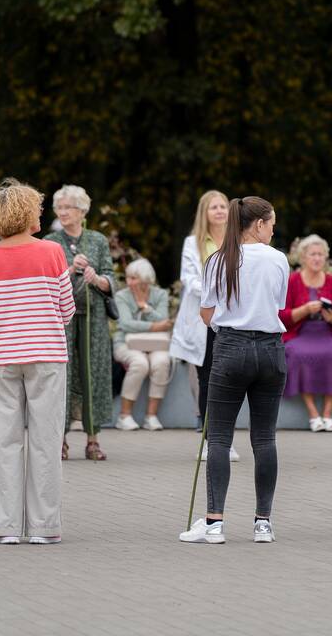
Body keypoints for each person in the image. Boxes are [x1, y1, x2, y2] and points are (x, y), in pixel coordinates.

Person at [179, 197, 289, 545]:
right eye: (271, 223)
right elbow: (278, 305)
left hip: (230, 348)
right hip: (271, 350)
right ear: (258, 224)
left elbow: (206, 311)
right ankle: (263, 523)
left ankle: (214, 523)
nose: (273, 229)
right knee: (265, 437)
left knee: (220, 437)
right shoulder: (279, 260)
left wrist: (227, 331)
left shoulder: (218, 259)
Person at [0, 180, 75, 544]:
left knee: (5, 439)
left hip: (2, 356)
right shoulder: (52, 252)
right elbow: (66, 309)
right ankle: (43, 527)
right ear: (29, 212)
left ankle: (4, 526)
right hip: (47, 354)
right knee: (46, 440)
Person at [46, 185, 115, 461]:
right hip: (63, 318)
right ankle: (59, 439)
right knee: (63, 375)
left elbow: (112, 279)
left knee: (93, 374)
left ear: (82, 211)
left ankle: (93, 439)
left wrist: (97, 278)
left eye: (68, 208)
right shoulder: (50, 241)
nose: (62, 213)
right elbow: (48, 279)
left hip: (94, 317)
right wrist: (69, 269)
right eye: (59, 208)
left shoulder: (97, 240)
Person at [170, 190, 239, 461]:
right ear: (205, 213)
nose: (220, 211)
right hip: (206, 318)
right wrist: (219, 292)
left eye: (224, 206)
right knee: (207, 379)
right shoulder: (193, 243)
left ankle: (227, 439)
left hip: (231, 318)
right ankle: (211, 441)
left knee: (230, 380)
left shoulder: (237, 241)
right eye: (214, 207)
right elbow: (190, 278)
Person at [279, 234, 332, 431]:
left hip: (327, 333)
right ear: (303, 257)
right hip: (299, 334)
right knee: (297, 354)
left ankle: (327, 415)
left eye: (321, 254)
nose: (317, 258)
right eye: (313, 254)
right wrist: (304, 310)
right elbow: (282, 317)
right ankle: (313, 414)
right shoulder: (293, 281)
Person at [113, 258, 173, 431]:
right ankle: (124, 416)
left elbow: (165, 319)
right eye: (128, 278)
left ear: (146, 279)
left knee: (162, 362)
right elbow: (125, 324)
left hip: (155, 344)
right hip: (126, 343)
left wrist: (145, 307)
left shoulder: (159, 294)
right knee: (139, 363)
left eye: (133, 278)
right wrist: (155, 326)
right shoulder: (121, 296)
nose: (129, 282)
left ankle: (151, 416)